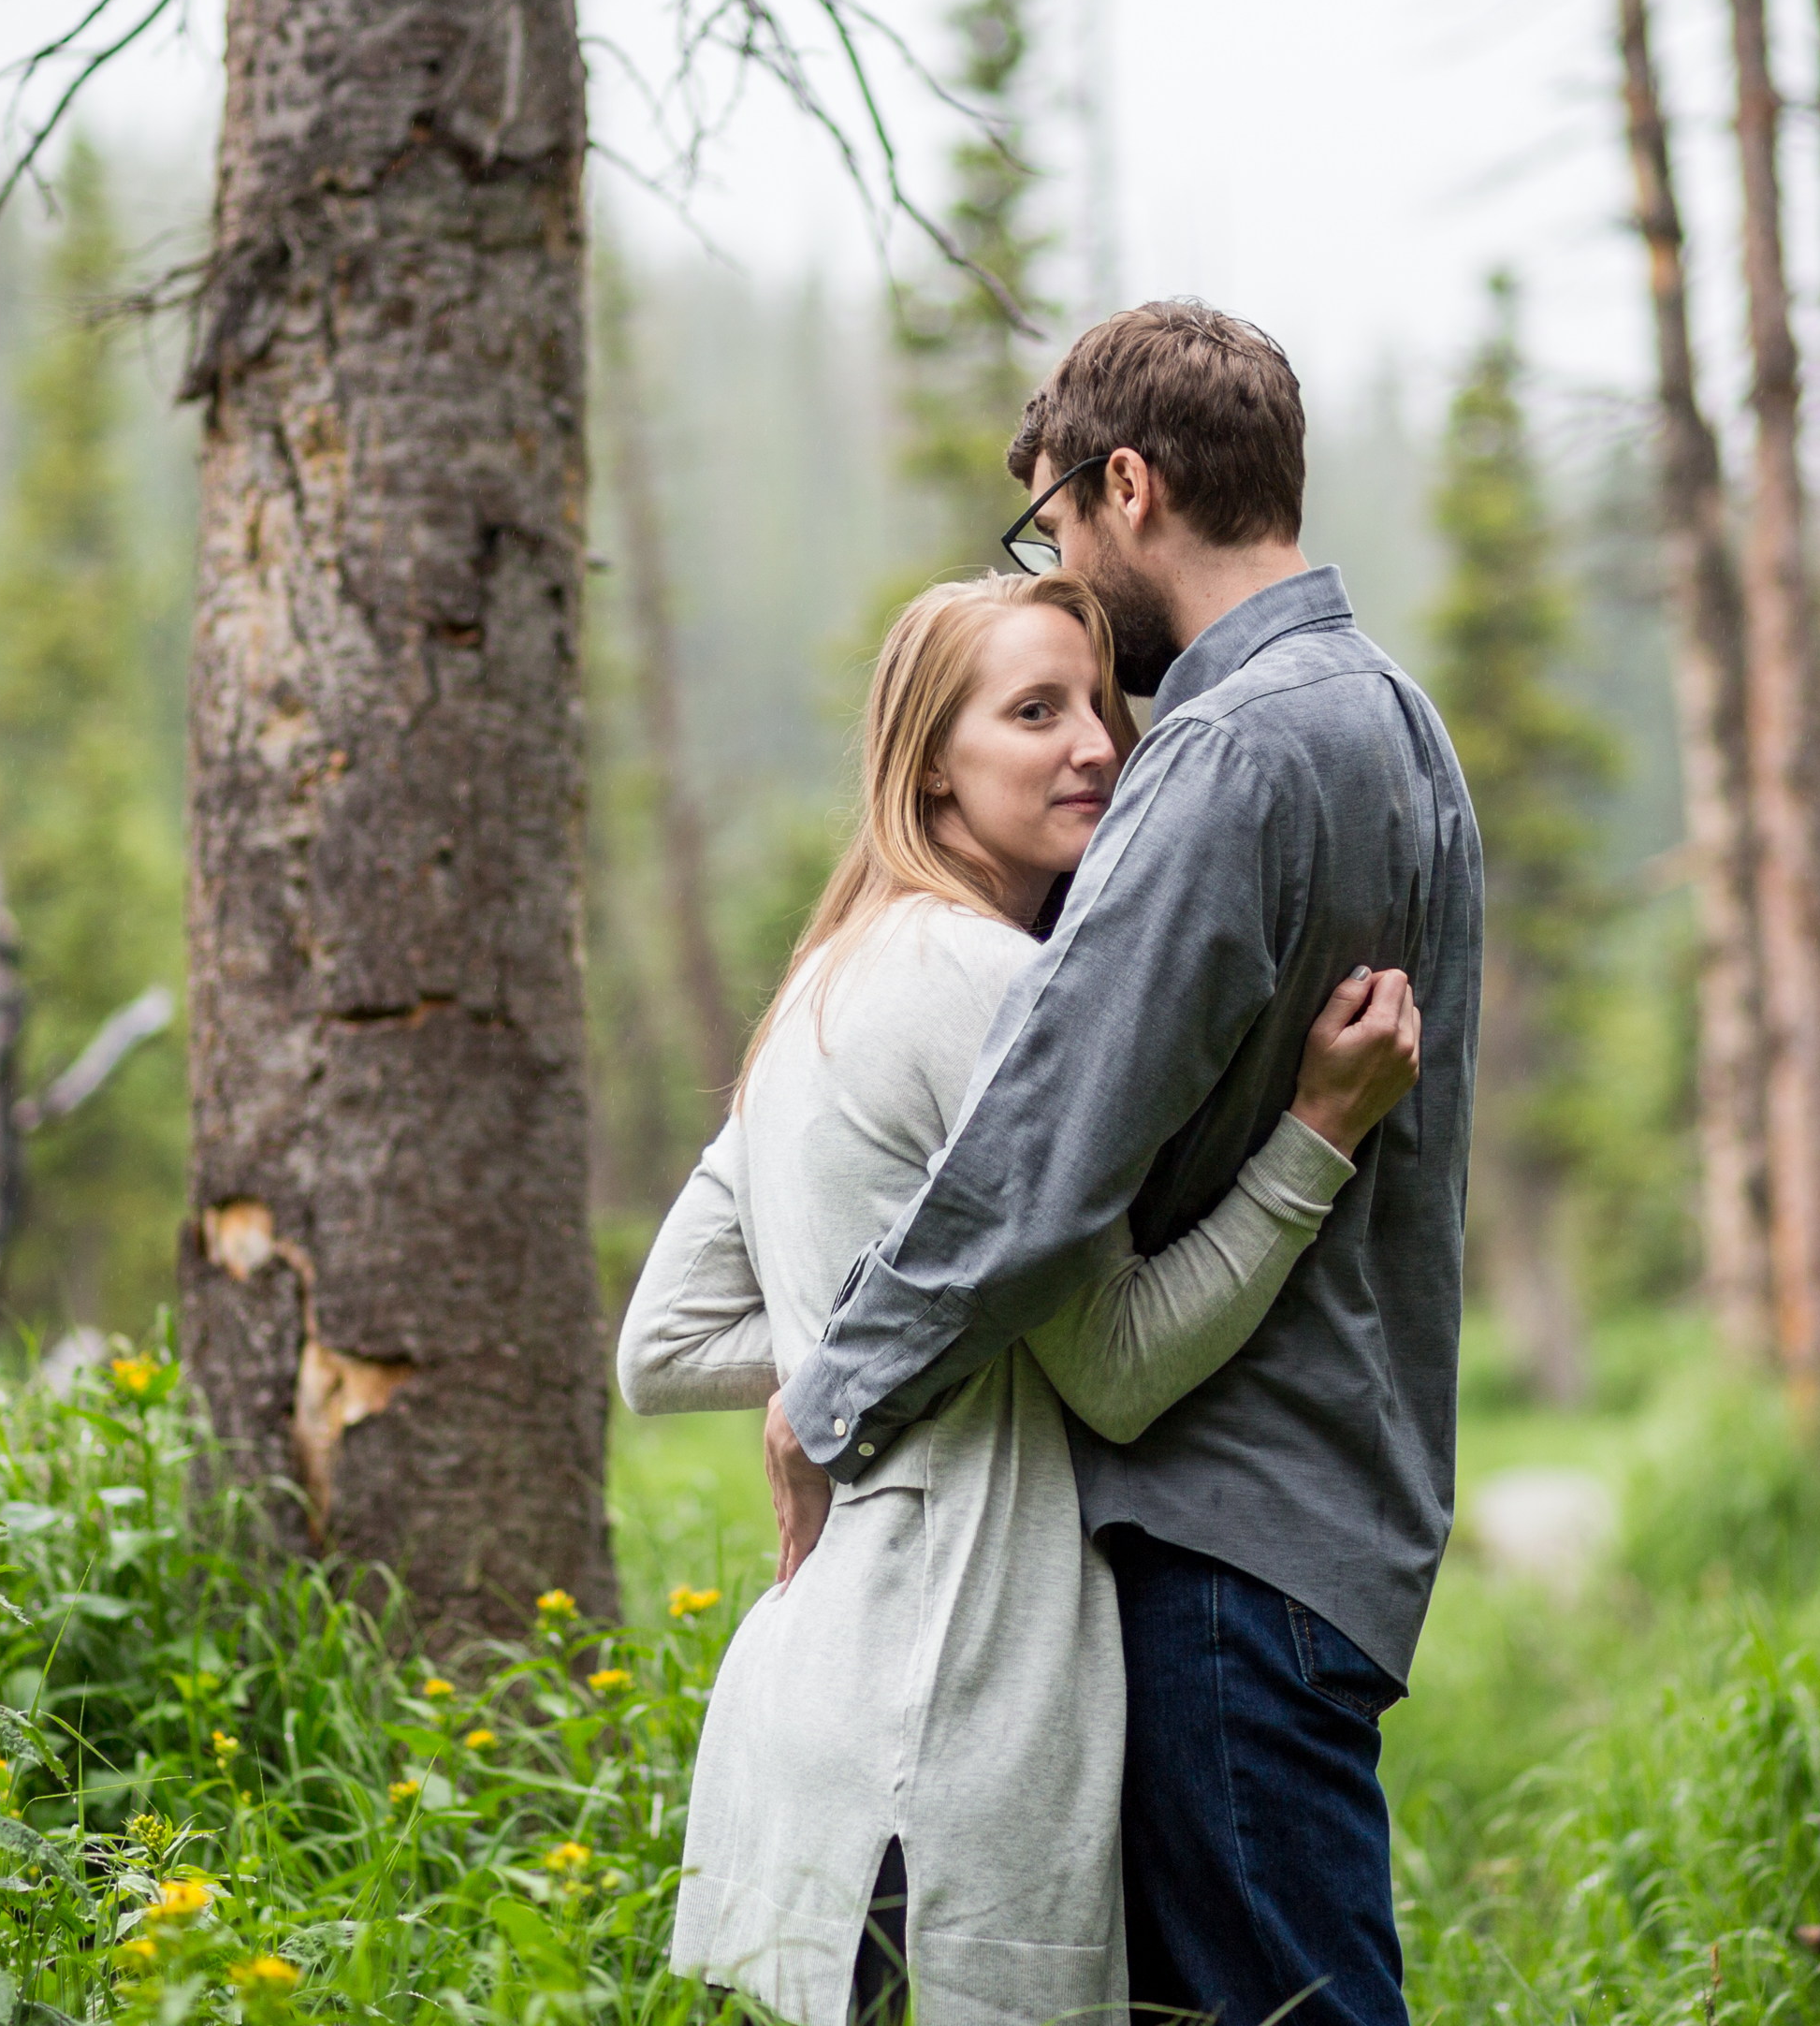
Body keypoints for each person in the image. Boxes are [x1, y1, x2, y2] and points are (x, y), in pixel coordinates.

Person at [774, 299, 1483, 2026]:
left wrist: (836, 1389)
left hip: (1230, 1540)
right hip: (1338, 1508)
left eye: (1059, 528)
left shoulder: (1229, 752)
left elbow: (1043, 1151)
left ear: (1132, 486)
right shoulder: (1401, 721)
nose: (1068, 573)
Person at [617, 567, 1425, 2026]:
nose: (1096, 748)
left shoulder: (827, 983)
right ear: (932, 767)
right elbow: (1116, 1367)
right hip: (945, 1722)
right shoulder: (992, 984)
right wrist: (1318, 1138)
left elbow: (661, 1343)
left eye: (1101, 708)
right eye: (1034, 712)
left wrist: (851, 1359)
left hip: (818, 1704)